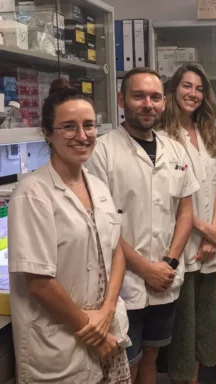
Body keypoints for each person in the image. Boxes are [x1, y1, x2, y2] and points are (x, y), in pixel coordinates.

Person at [8, 82, 131, 383]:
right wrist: (93, 331)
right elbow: (39, 283)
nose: (82, 136)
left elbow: (115, 251)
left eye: (89, 126)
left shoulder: (98, 186)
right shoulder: (32, 193)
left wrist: (106, 312)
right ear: (48, 134)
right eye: (68, 127)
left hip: (105, 326)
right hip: (61, 342)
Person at [86, 67, 199, 384]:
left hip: (165, 279)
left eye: (154, 97)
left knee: (152, 355)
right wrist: (145, 268)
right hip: (124, 284)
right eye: (138, 96)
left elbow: (185, 211)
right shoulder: (102, 151)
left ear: (164, 103)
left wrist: (169, 263)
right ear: (122, 100)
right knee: (126, 363)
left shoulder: (175, 150)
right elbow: (101, 224)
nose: (147, 104)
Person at [159, 62, 216, 384]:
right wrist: (203, 229)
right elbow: (169, 197)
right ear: (174, 90)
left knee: (207, 321)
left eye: (199, 88)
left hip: (211, 246)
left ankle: (195, 377)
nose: (193, 93)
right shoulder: (162, 137)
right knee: (183, 326)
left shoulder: (210, 132)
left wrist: (214, 233)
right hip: (183, 243)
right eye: (186, 86)